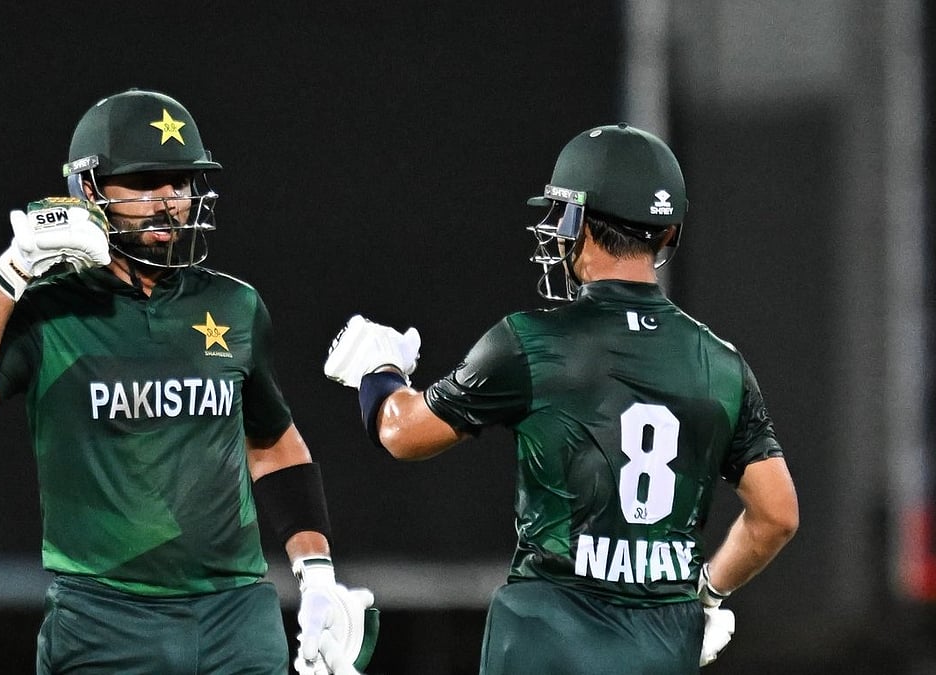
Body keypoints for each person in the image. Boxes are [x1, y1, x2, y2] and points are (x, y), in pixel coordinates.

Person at [0, 88, 376, 675]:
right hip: (102, 620)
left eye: (181, 182)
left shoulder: (234, 304)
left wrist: (316, 573)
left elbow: (270, 439)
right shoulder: (47, 309)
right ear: (89, 191)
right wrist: (10, 271)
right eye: (146, 182)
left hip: (237, 614)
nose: (170, 201)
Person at [323, 123, 799, 674]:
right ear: (668, 234)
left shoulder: (532, 341)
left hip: (545, 637)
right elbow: (776, 516)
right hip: (662, 642)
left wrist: (377, 371)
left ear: (577, 222)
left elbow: (402, 434)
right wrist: (706, 596)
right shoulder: (722, 364)